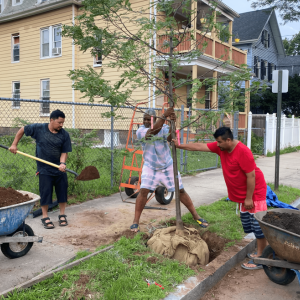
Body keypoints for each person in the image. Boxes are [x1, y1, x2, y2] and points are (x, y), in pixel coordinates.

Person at [173, 127, 268, 270]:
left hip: (254, 193)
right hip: (244, 195)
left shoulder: (243, 152)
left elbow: (251, 176)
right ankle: (261, 252)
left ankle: (262, 258)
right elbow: (200, 146)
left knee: (258, 227)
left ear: (228, 140)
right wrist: (180, 146)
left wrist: (249, 198)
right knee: (249, 225)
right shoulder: (222, 148)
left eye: (219, 142)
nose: (217, 145)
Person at [130, 107, 208, 233]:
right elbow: (152, 133)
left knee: (180, 190)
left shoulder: (163, 128)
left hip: (167, 166)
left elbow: (170, 138)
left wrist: (172, 123)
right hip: (150, 167)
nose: (145, 121)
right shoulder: (141, 131)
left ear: (154, 119)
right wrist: (164, 116)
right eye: (144, 119)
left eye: (148, 119)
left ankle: (196, 216)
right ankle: (135, 222)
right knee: (143, 191)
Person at [9, 110, 72, 229]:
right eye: (59, 122)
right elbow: (23, 129)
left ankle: (62, 215)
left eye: (63, 123)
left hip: (59, 169)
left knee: (62, 192)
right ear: (51, 120)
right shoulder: (39, 128)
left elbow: (64, 151)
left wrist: (62, 163)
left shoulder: (64, 134)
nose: (61, 125)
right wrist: (14, 144)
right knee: (46, 192)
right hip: (44, 169)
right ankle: (45, 216)